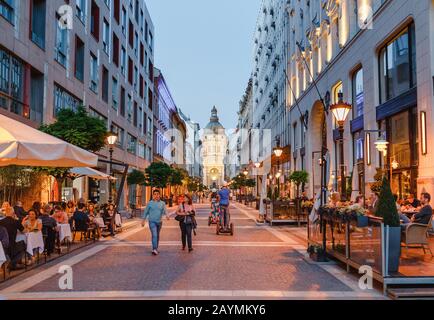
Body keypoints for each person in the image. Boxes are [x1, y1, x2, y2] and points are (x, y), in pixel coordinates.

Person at [141, 189, 170, 256]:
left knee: (157, 235)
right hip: (152, 222)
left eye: (157, 194)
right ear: (153, 195)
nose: (156, 195)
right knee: (155, 235)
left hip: (159, 222)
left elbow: (165, 210)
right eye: (155, 194)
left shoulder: (162, 203)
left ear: (159, 195)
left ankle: (155, 248)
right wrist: (143, 220)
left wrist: (167, 216)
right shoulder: (149, 203)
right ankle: (154, 249)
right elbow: (145, 212)